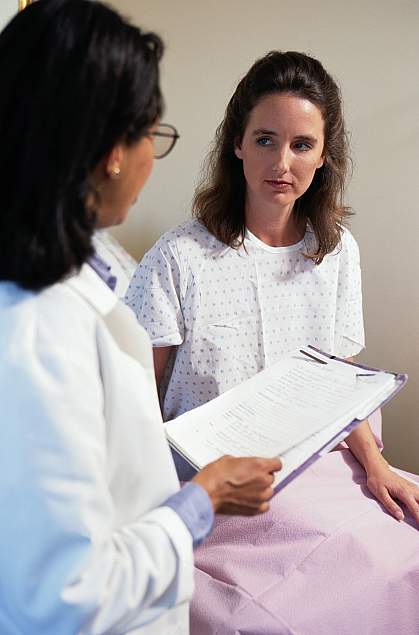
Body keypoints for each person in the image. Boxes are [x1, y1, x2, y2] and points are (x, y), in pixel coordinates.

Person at [0, 3, 282, 634]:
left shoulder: (92, 259)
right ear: (111, 153)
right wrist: (202, 500)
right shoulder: (35, 330)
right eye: (152, 136)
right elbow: (63, 597)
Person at [126, 51, 419, 633]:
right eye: (265, 139)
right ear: (237, 143)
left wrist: (379, 466)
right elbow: (137, 404)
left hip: (321, 463)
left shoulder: (335, 253)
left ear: (324, 155)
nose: (282, 162)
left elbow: (342, 385)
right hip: (218, 485)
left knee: (399, 554)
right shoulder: (179, 257)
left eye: (302, 145)